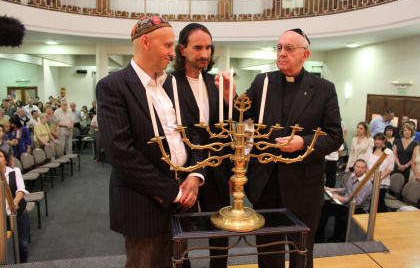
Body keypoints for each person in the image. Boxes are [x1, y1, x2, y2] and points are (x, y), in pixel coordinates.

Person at [218, 28, 343, 268]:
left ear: (305, 55)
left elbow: (334, 136)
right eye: (279, 48)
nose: (282, 53)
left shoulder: (324, 89)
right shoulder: (262, 81)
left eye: (289, 49)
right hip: (266, 184)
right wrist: (229, 96)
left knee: (301, 252)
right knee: (268, 252)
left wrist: (302, 143)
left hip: (304, 185)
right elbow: (241, 114)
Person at [97, 16, 205, 268]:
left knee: (180, 262)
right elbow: (120, 152)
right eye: (167, 45)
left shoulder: (174, 85)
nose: (172, 52)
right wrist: (171, 191)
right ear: (145, 41)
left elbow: (194, 136)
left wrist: (195, 176)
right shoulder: (114, 86)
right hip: (143, 203)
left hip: (184, 198)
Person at [169, 22, 231, 268]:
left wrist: (230, 98)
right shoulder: (169, 83)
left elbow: (227, 125)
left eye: (208, 48)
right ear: (182, 49)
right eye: (198, 48)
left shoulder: (217, 84)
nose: (205, 54)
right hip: (184, 169)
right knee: (180, 233)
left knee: (220, 231)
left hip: (217, 168)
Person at [315, 159, 372, 243]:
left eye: (362, 167)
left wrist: (341, 198)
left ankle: (335, 238)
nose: (359, 169)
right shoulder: (352, 176)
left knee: (329, 211)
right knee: (324, 206)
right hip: (346, 204)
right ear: (354, 167)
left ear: (365, 169)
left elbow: (358, 202)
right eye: (358, 167)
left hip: (357, 209)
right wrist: (333, 189)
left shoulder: (367, 184)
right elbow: (346, 189)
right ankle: (320, 237)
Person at [0, 148, 30, 263]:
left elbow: (21, 190)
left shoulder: (14, 171)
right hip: (2, 218)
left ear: (6, 160)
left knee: (23, 245)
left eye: (0, 156)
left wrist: (15, 202)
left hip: (18, 214)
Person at [365, 133, 394, 213]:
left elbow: (390, 168)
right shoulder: (370, 151)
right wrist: (370, 177)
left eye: (379, 140)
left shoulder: (389, 152)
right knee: (368, 201)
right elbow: (365, 165)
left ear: (384, 141)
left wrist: (379, 178)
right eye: (375, 139)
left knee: (379, 202)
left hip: (382, 181)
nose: (376, 141)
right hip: (369, 180)